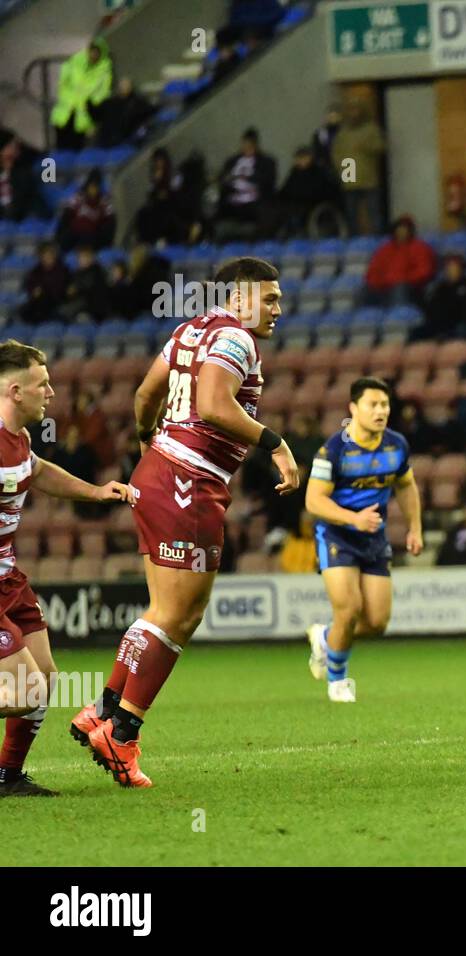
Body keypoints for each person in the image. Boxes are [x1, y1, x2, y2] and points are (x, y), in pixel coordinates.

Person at [70, 258, 300, 788]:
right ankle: (121, 735)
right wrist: (276, 443)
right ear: (240, 298)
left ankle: (104, 710)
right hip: (187, 484)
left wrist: (150, 442)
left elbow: (144, 397)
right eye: (270, 298)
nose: (278, 309)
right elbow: (215, 404)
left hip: (160, 474)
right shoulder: (236, 339)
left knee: (162, 612)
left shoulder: (186, 331)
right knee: (180, 615)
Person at [0, 341, 133, 797]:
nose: (51, 393)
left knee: (46, 679)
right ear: (16, 391)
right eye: (43, 384)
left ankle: (7, 776)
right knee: (23, 692)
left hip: (9, 579)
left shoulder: (18, 438)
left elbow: (37, 471)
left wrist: (97, 492)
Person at [305, 378, 421, 703]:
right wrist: (354, 518)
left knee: (377, 622)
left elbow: (406, 486)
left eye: (385, 405)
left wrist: (415, 527)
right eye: (373, 404)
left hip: (374, 536)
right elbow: (314, 501)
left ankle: (325, 638)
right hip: (337, 535)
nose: (381, 411)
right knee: (349, 609)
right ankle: (338, 680)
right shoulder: (334, 450)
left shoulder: (396, 445)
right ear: (354, 409)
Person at [331, 99, 386, 235]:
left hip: (368, 177)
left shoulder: (371, 129)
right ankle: (353, 239)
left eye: (356, 110)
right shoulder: (343, 133)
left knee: (373, 212)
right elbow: (335, 153)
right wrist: (340, 168)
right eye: (350, 110)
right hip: (349, 175)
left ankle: (377, 237)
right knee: (351, 213)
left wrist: (367, 147)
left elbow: (381, 147)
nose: (353, 113)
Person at [214, 128, 277, 241]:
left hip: (255, 201)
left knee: (267, 212)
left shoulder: (267, 162)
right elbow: (222, 178)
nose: (246, 147)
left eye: (250, 144)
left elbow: (268, 181)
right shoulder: (232, 161)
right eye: (244, 144)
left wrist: (248, 177)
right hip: (233, 199)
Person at [51, 38, 112, 150]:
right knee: (59, 147)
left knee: (75, 147)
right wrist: (69, 95)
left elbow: (103, 92)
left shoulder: (105, 69)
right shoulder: (76, 60)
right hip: (65, 111)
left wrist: (88, 100)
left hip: (83, 116)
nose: (93, 54)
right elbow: (63, 82)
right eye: (92, 51)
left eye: (96, 52)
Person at [364, 214, 437, 306]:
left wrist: (402, 279)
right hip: (384, 288)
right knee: (365, 289)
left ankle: (398, 317)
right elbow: (373, 271)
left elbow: (425, 271)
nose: (401, 231)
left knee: (400, 288)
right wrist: (379, 282)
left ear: (410, 230)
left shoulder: (420, 248)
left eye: (405, 228)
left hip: (409, 288)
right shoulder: (384, 249)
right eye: (399, 228)